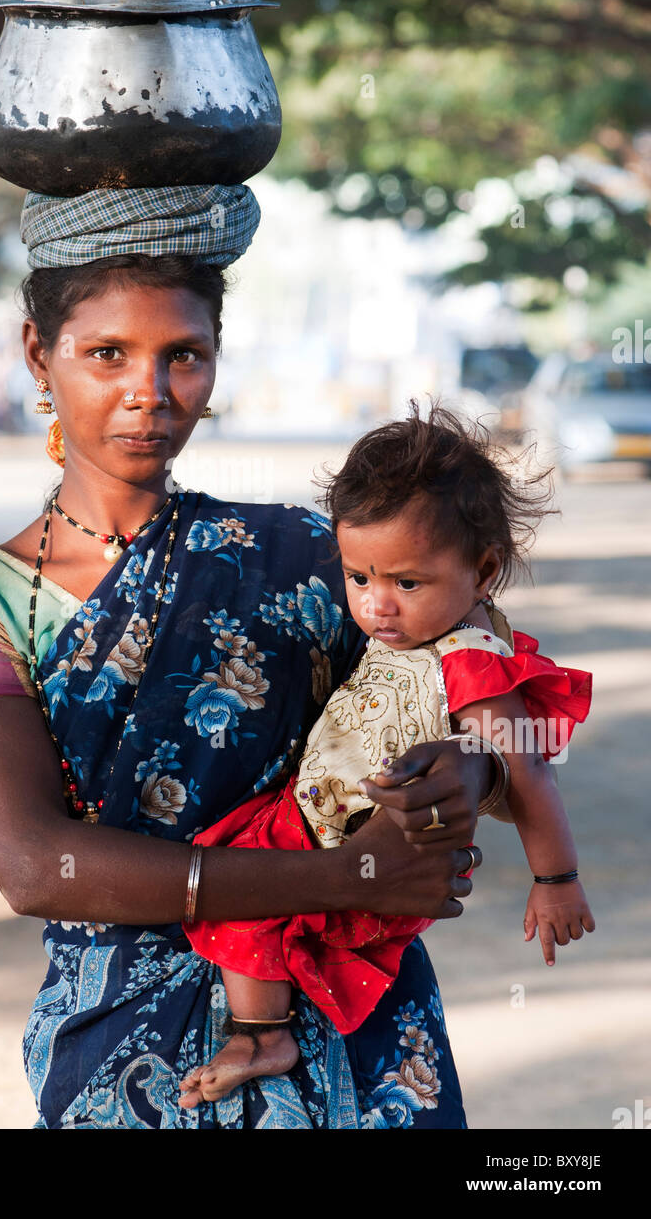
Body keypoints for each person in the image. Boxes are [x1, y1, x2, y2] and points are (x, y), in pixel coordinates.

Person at [0, 185, 503, 1130]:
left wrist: (467, 770)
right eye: (107, 353)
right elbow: (33, 864)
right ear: (39, 353)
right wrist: (345, 878)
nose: (149, 390)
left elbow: (475, 657)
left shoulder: (311, 553)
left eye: (183, 355)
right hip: (119, 1034)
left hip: (352, 1020)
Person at [179, 404, 595, 1108]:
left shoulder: (472, 661)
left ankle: (263, 1033)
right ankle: (263, 1027)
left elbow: (526, 770)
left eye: (407, 582)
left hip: (375, 848)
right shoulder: (409, 632)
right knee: (231, 871)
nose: (378, 606)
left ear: (483, 571)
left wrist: (556, 879)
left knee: (246, 900)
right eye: (360, 578)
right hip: (312, 820)